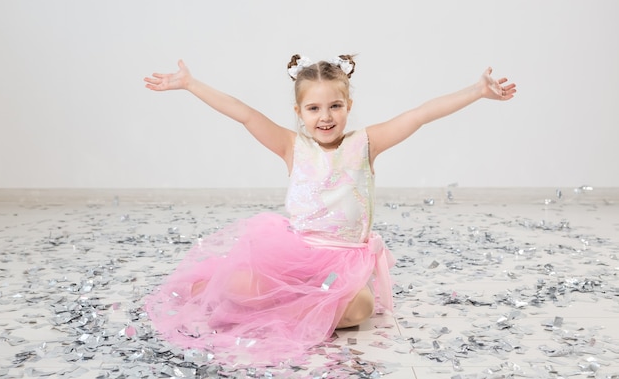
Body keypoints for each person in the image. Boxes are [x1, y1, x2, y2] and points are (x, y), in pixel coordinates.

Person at [143, 55, 516, 364]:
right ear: (299, 111)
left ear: (348, 107)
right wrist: (192, 84)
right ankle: (271, 298)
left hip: (342, 264)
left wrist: (477, 91)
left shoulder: (366, 144)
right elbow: (244, 114)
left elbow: (419, 114)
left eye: (335, 106)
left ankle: (285, 308)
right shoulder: (292, 146)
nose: (326, 116)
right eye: (314, 108)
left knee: (360, 311)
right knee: (238, 284)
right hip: (294, 255)